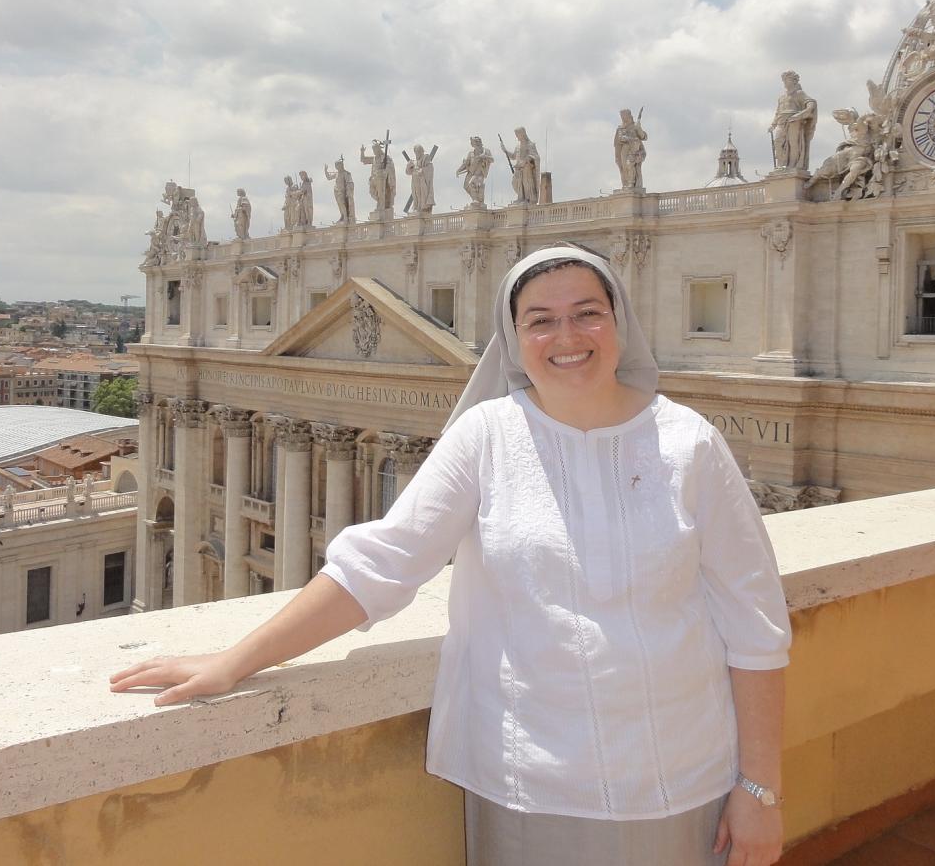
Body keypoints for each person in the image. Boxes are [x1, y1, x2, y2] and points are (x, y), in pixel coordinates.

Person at [110, 244, 791, 866]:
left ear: (620, 321)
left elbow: (754, 624)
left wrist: (759, 788)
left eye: (587, 313)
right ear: (513, 338)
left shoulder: (691, 443)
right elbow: (380, 566)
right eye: (541, 321)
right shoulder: (485, 437)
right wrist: (236, 660)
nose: (567, 337)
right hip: (530, 779)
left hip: (683, 772)